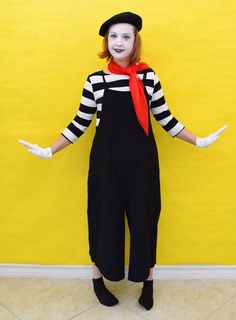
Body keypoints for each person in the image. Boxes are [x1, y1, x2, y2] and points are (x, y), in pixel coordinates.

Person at [19, 12, 227, 310]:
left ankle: (148, 282)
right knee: (103, 219)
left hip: (142, 162)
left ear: (135, 42)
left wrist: (199, 140)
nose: (119, 42)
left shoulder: (148, 77)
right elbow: (79, 123)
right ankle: (98, 279)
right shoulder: (95, 81)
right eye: (114, 36)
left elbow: (165, 119)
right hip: (106, 163)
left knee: (145, 219)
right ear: (107, 41)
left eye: (126, 36)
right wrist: (50, 150)